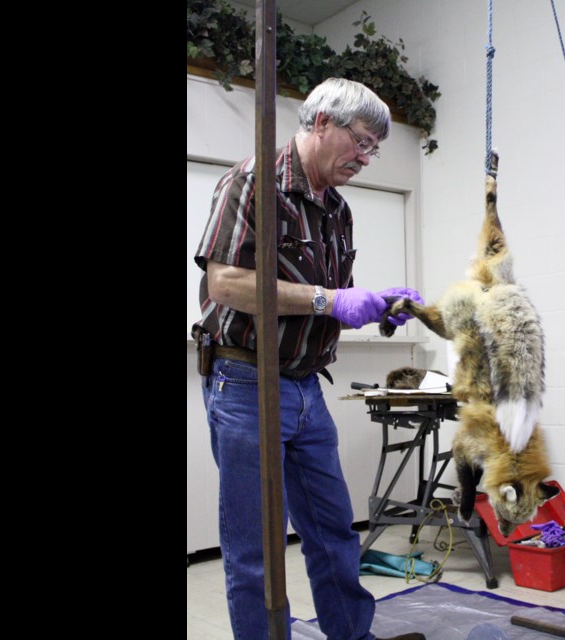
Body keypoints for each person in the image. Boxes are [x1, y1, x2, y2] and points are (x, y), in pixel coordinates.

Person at [193, 77, 426, 640]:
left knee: (331, 531)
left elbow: (323, 303)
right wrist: (332, 300)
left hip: (303, 386)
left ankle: (351, 634)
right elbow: (225, 284)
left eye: (375, 149)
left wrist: (371, 307)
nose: (367, 158)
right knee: (258, 545)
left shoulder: (337, 210)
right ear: (321, 121)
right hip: (245, 380)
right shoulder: (250, 183)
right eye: (363, 142)